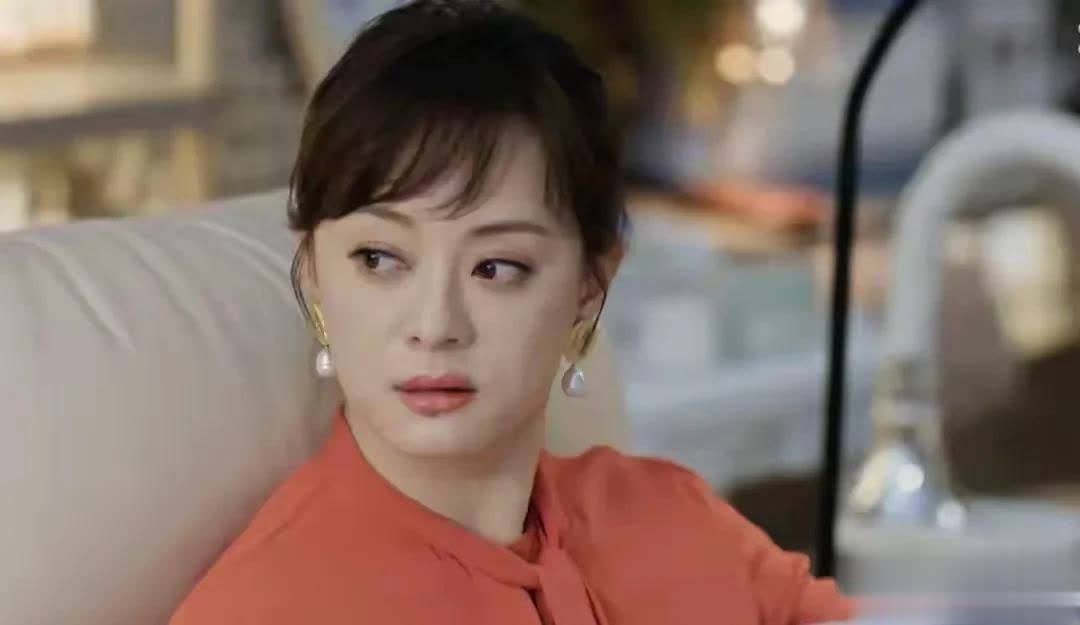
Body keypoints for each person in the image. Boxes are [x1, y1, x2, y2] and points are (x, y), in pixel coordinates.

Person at [169, 2, 852, 623]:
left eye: (496, 267)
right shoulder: (269, 606)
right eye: (379, 258)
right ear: (316, 270)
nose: (435, 325)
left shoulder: (668, 515)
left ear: (590, 285)